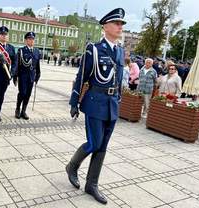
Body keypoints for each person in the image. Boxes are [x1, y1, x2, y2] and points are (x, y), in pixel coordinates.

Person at [67, 8, 126, 204]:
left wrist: (119, 98)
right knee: (94, 142)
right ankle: (72, 166)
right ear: (105, 26)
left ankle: (91, 184)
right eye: (117, 23)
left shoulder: (120, 50)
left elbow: (118, 79)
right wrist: (74, 101)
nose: (120, 27)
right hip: (94, 103)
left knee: (103, 147)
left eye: (121, 24)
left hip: (111, 104)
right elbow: (81, 76)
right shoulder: (93, 49)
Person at [14, 32, 41, 120]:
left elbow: (37, 65)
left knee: (28, 94)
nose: (31, 41)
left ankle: (23, 111)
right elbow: (17, 65)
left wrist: (38, 75)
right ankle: (17, 109)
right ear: (26, 40)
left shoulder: (37, 51)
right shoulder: (21, 51)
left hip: (31, 77)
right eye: (29, 39)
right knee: (22, 93)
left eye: (32, 39)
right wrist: (15, 76)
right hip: (23, 76)